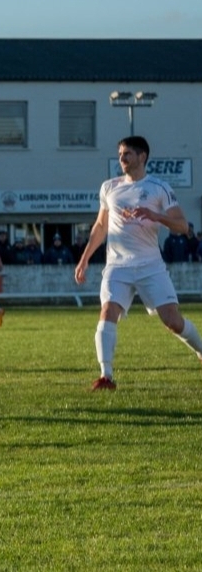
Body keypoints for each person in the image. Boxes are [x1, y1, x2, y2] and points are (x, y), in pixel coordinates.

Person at [75, 135, 202, 391]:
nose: (121, 159)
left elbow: (182, 226)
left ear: (142, 156)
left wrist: (155, 215)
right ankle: (106, 376)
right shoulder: (109, 187)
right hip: (117, 266)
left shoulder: (159, 187)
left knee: (173, 321)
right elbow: (100, 226)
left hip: (150, 266)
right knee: (107, 312)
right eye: (120, 154)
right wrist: (84, 259)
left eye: (127, 154)